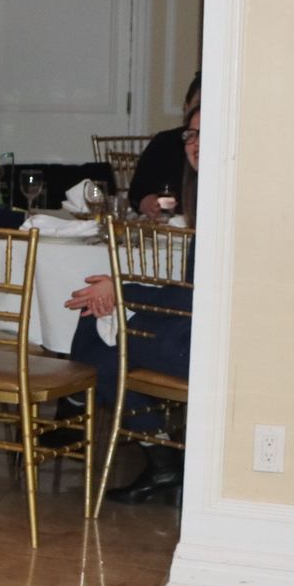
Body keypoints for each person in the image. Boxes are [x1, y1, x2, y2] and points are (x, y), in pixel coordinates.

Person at [64, 103, 202, 503]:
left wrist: (120, 290)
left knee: (97, 340)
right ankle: (161, 462)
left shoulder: (229, 204)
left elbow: (197, 293)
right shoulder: (210, 194)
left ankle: (158, 457)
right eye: (191, 135)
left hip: (207, 345)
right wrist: (120, 291)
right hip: (194, 325)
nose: (194, 143)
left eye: (206, 133)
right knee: (97, 327)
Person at [129, 74, 201, 217]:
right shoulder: (165, 141)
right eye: (198, 104)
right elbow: (137, 190)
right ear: (186, 108)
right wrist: (146, 201)